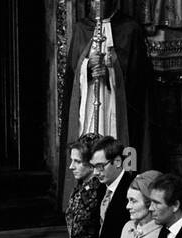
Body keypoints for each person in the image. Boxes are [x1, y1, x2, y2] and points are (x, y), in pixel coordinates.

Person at [62, 5, 152, 201]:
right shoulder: (80, 28)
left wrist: (112, 72)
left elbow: (139, 79)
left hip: (117, 111)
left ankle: (120, 198)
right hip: (88, 109)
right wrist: (87, 67)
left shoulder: (130, 29)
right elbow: (72, 73)